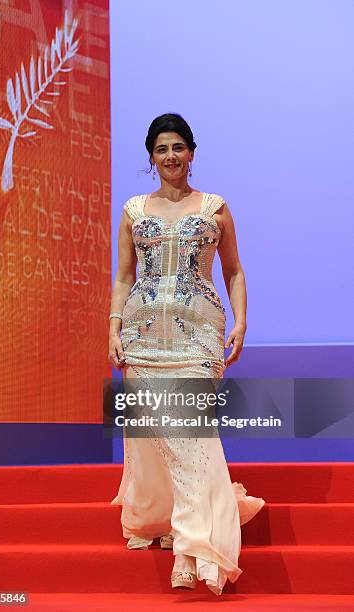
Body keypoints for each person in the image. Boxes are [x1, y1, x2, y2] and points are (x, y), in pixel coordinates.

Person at [109, 113, 265, 595]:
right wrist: (113, 327)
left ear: (192, 153)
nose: (171, 156)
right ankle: (162, 519)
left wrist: (240, 322)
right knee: (155, 437)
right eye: (161, 149)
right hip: (142, 334)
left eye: (179, 147)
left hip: (199, 335)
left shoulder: (215, 207)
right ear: (151, 156)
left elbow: (234, 271)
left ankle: (193, 545)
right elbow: (123, 276)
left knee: (192, 437)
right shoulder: (135, 209)